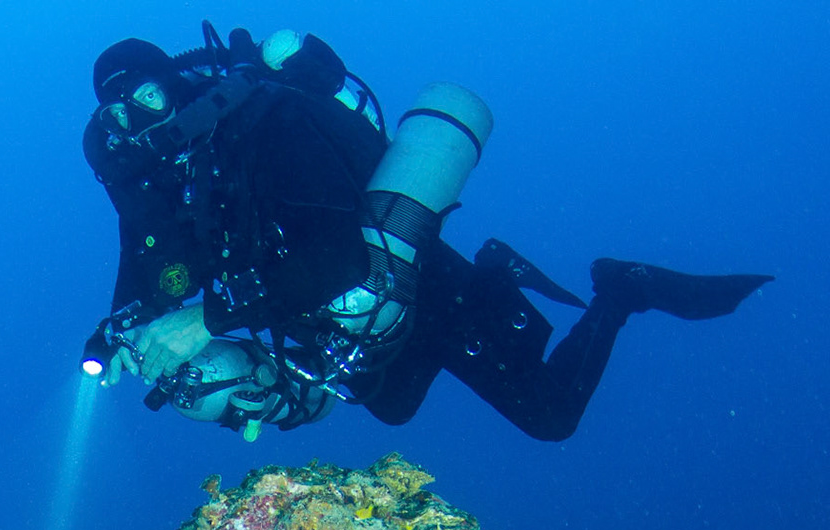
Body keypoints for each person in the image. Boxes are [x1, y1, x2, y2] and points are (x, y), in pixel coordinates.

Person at [81, 24, 772, 441]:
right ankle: (499, 277)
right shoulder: (174, 188)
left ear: (178, 84)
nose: (141, 121)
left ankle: (620, 290)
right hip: (338, 322)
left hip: (409, 284)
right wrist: (115, 332)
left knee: (550, 416)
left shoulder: (270, 122)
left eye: (148, 95)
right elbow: (146, 267)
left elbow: (340, 256)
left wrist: (204, 318)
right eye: (120, 114)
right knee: (394, 406)